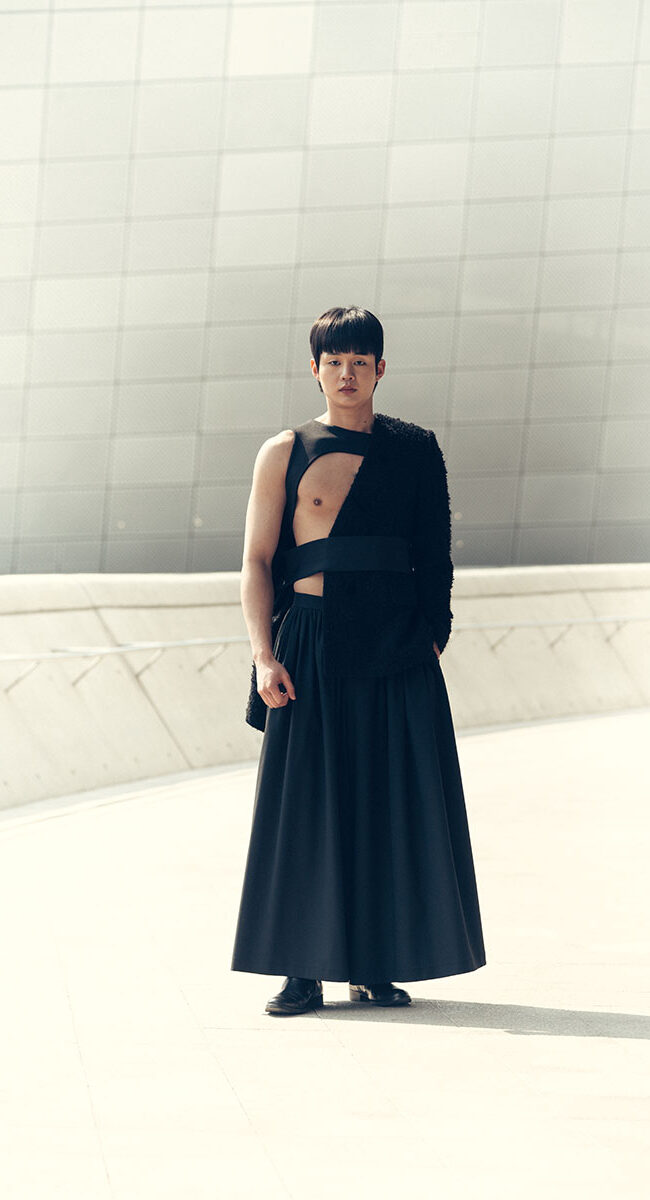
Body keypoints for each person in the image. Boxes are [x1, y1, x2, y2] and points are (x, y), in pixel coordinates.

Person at [231, 305, 486, 1015]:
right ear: (315, 369)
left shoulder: (414, 449)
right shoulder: (284, 451)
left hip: (397, 646)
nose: (347, 374)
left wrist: (432, 636)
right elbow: (256, 562)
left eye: (360, 362)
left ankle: (375, 965)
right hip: (308, 643)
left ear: (380, 369)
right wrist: (263, 656)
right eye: (335, 362)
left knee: (389, 804)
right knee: (306, 807)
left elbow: (434, 554)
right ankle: (300, 971)